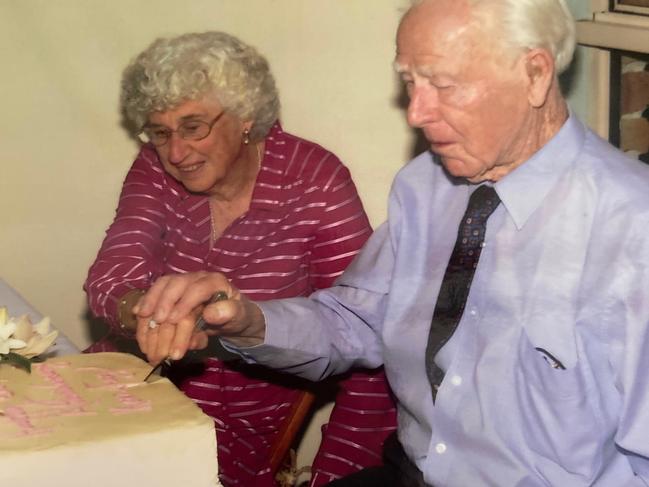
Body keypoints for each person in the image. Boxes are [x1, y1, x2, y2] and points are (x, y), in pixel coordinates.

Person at [128, 1, 649, 485]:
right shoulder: (425, 187)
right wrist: (245, 318)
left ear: (534, 74)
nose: (416, 112)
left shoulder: (631, 227)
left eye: (443, 84)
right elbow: (353, 322)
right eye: (409, 82)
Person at [84, 31, 397, 487]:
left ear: (247, 115)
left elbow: (368, 343)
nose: (175, 152)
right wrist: (142, 313)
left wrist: (332, 478)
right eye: (160, 132)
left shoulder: (315, 184)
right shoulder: (155, 167)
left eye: (193, 127)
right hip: (130, 403)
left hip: (233, 435)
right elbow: (112, 276)